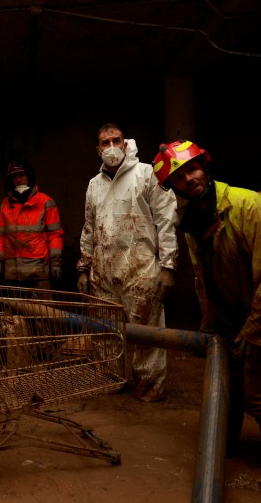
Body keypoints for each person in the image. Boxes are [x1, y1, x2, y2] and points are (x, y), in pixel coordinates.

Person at [153, 139, 261, 469]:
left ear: (205, 167)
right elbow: (206, 280)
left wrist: (257, 329)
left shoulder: (251, 206)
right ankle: (223, 450)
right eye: (179, 178)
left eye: (192, 170)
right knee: (227, 382)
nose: (189, 180)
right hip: (245, 310)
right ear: (172, 187)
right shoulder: (194, 223)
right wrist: (210, 327)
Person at [76, 123, 178, 403]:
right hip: (103, 270)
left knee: (146, 332)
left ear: (125, 143)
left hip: (141, 268)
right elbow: (89, 227)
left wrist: (168, 266)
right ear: (98, 149)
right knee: (105, 330)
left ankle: (149, 385)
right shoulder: (94, 185)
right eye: (105, 142)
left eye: (116, 140)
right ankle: (110, 379)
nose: (111, 147)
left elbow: (166, 220)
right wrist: (84, 266)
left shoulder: (147, 174)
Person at [0, 158, 63, 289]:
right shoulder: (6, 204)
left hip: (38, 272)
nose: (18, 179)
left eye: (21, 175)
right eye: (14, 176)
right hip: (13, 274)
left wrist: (56, 263)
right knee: (15, 309)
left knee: (42, 309)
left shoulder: (46, 202)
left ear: (29, 176)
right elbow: (0, 238)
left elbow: (55, 235)